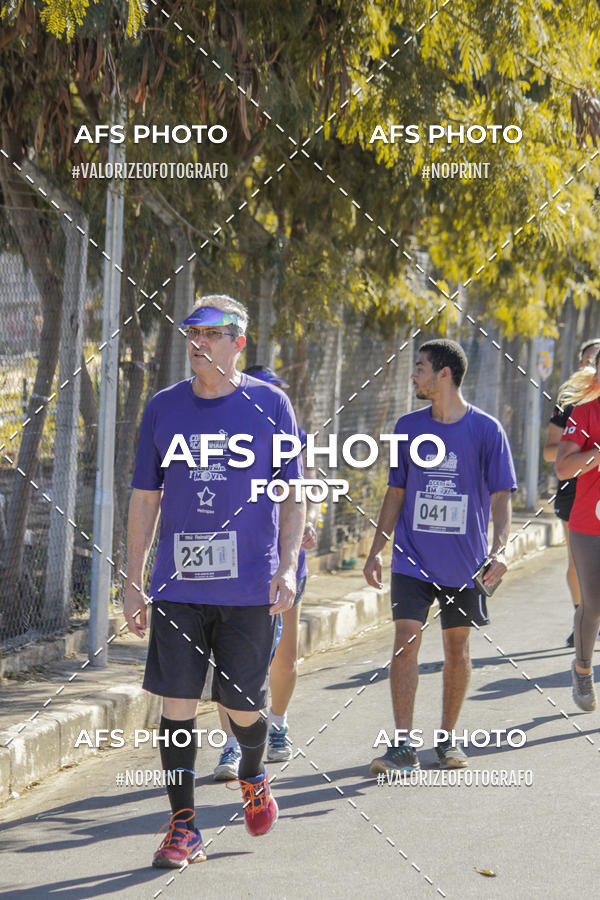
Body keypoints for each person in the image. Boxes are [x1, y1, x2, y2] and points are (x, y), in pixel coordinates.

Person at [124, 295, 305, 868]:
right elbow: (145, 495)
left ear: (238, 343)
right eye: (191, 332)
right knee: (177, 706)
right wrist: (133, 578)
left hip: (248, 586)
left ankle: (253, 775)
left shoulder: (270, 405)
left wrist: (286, 564)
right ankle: (183, 826)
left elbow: (293, 493)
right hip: (179, 586)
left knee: (244, 709)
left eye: (211, 333)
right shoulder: (164, 407)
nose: (198, 343)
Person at [364, 339, 517, 773]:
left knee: (456, 647)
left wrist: (500, 549)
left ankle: (447, 741)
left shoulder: (487, 430)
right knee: (405, 642)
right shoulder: (408, 427)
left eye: (420, 368)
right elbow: (396, 493)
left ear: (444, 374)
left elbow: (501, 495)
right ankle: (402, 746)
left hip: (464, 563)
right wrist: (377, 549)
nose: (414, 375)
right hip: (412, 559)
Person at [214, 365, 319, 780]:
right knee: (229, 663)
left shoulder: (295, 438)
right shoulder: (225, 439)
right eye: (269, 393)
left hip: (284, 564)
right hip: (235, 565)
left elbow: (306, 489)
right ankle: (231, 744)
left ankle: (277, 724)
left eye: (280, 395)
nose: (277, 403)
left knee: (283, 657)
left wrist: (307, 527)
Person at [543, 338, 600, 646]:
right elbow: (551, 454)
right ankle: (583, 614)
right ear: (583, 366)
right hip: (574, 490)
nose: (593, 366)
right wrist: (587, 452)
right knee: (578, 562)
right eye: (590, 360)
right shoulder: (570, 406)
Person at [555, 347, 600, 713]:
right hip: (590, 524)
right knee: (595, 603)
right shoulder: (585, 414)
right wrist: (595, 456)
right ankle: (582, 670)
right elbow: (562, 468)